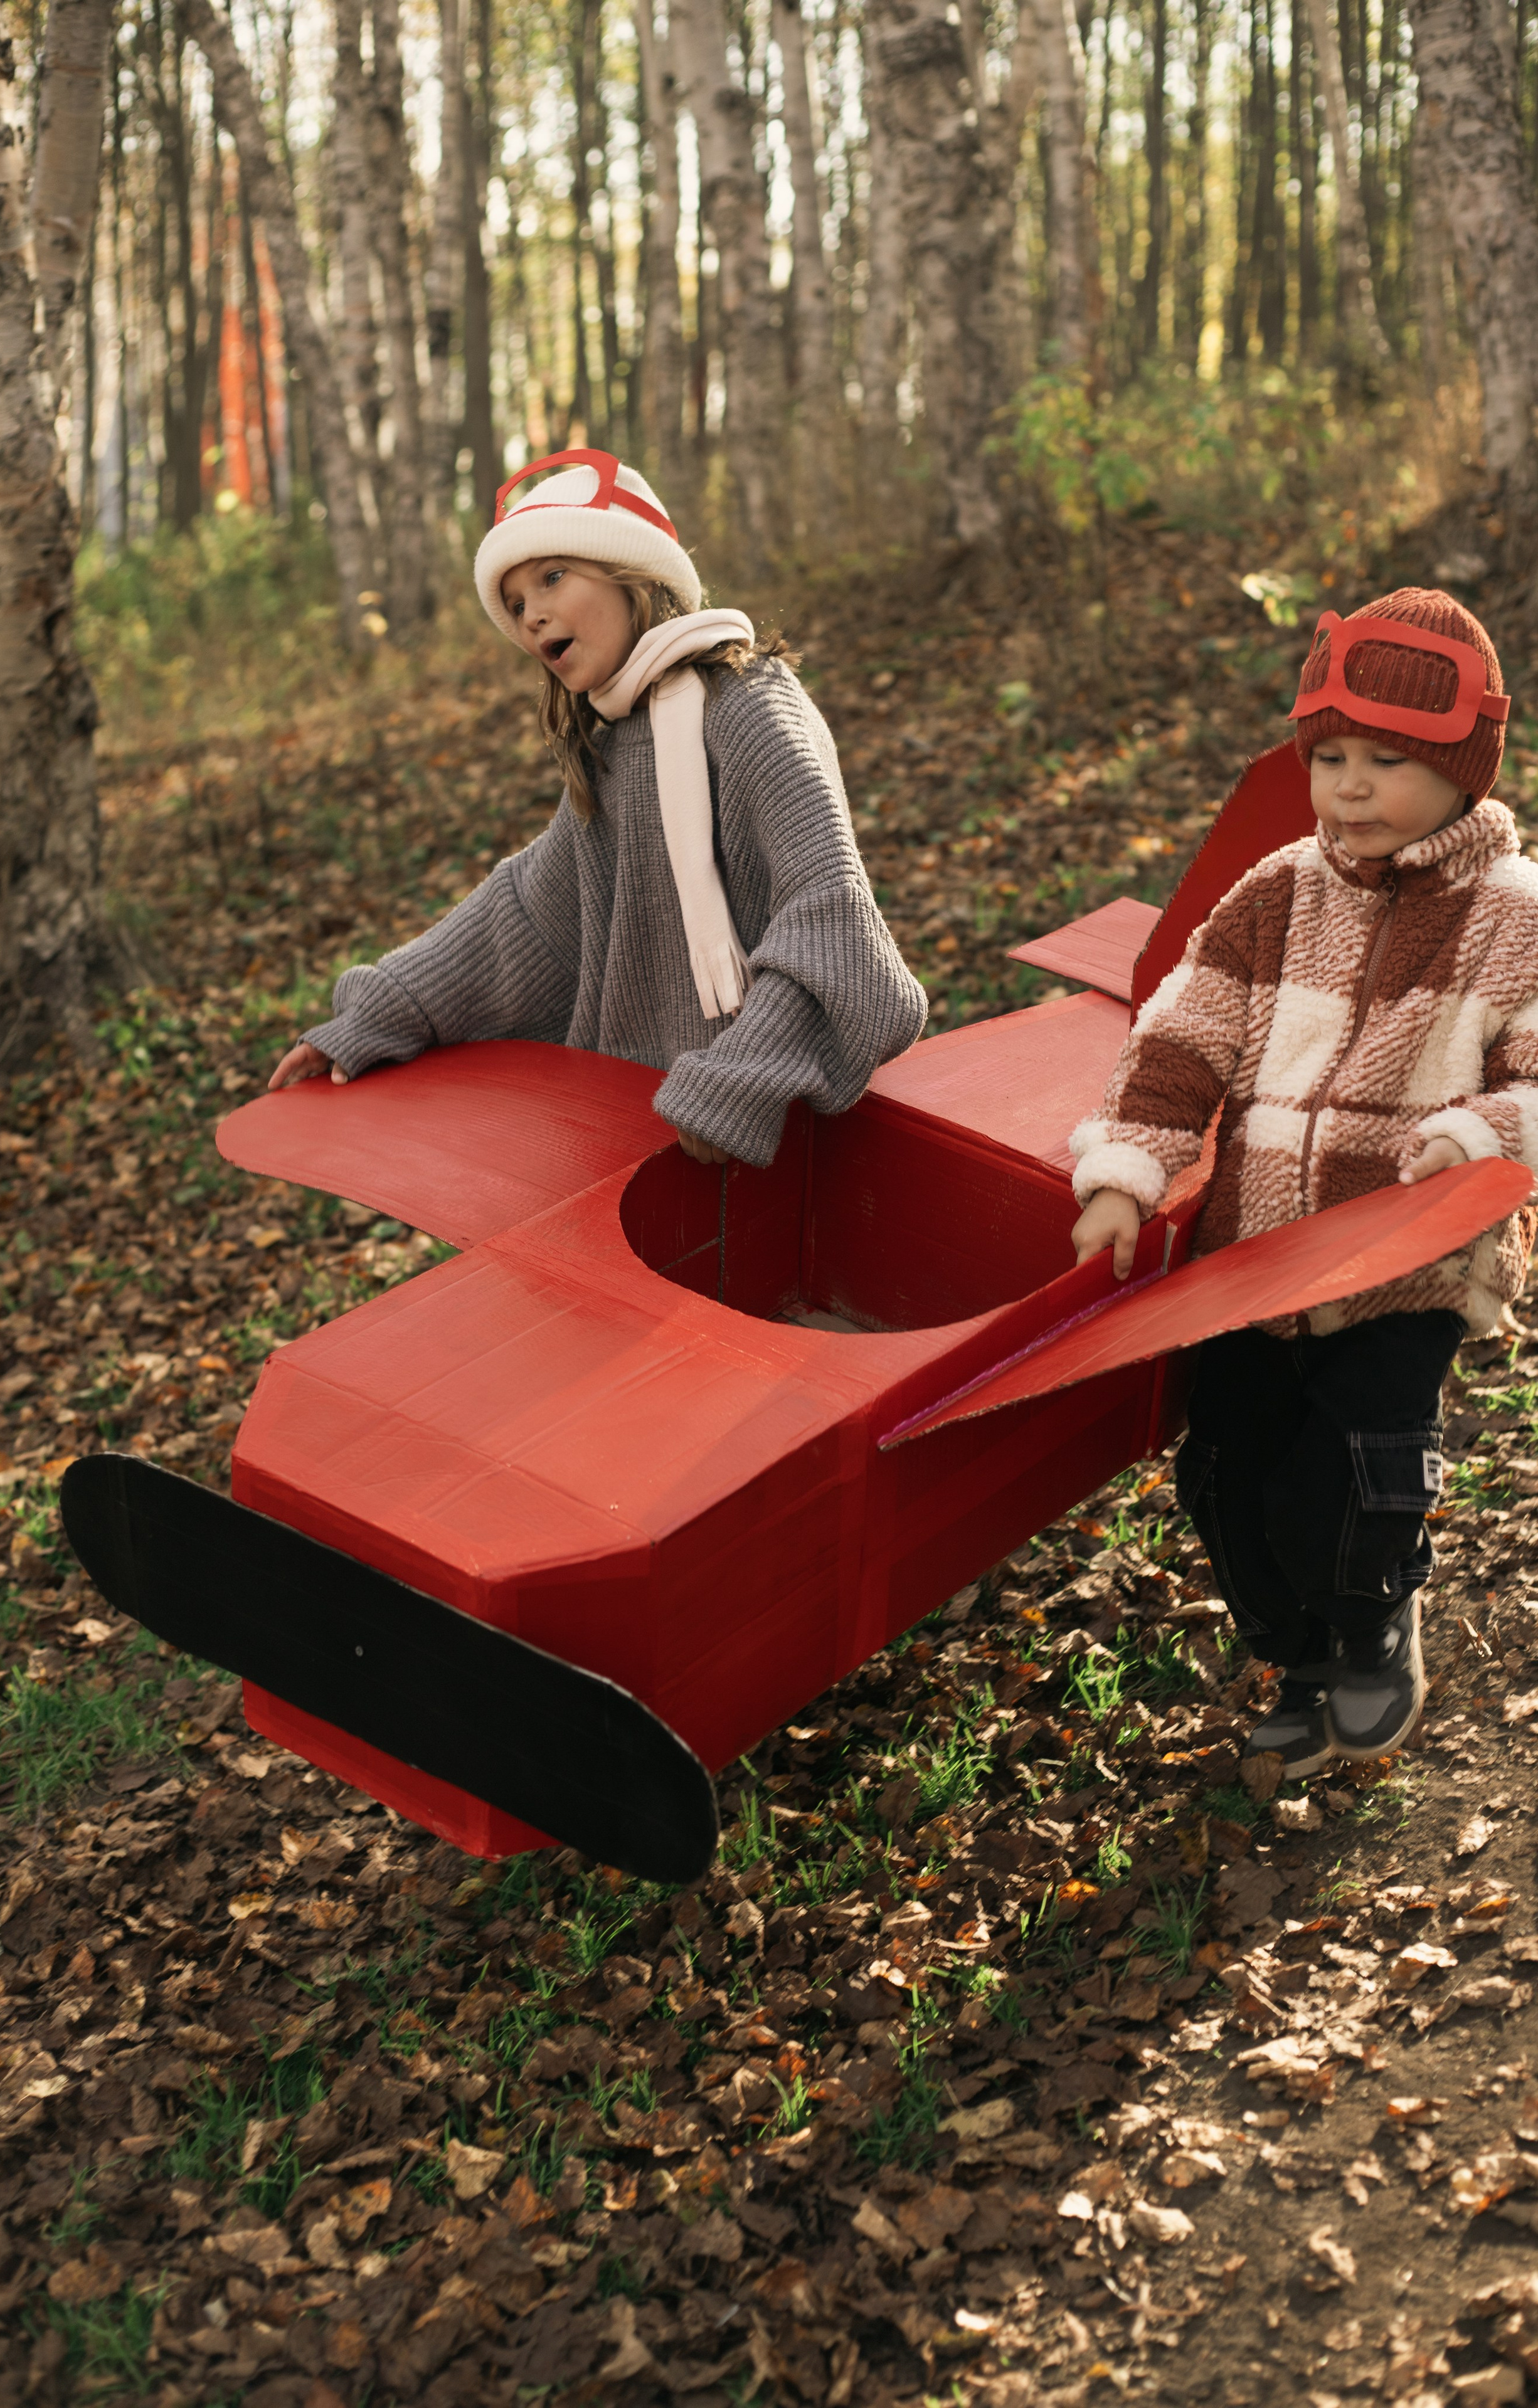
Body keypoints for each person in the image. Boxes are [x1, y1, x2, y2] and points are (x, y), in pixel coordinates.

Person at [1068, 588, 1538, 1775]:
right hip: (1254, 1259)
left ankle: (1372, 1624)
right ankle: (1296, 1652)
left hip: (1402, 1264)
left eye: (1388, 762)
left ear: (1464, 772)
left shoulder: (1511, 916)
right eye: (1330, 759)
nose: (1351, 789)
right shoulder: (1279, 890)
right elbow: (1184, 1036)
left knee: (1354, 1478)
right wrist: (1128, 1168)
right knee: (1227, 1476)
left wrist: (1479, 1135)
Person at [267, 449, 926, 1171]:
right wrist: (379, 1011)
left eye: (552, 577)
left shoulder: (749, 703)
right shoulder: (609, 752)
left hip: (780, 1138)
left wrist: (740, 1079)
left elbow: (833, 921)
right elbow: (520, 921)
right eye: (515, 604)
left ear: (632, 574)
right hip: (639, 1135)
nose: (532, 615)